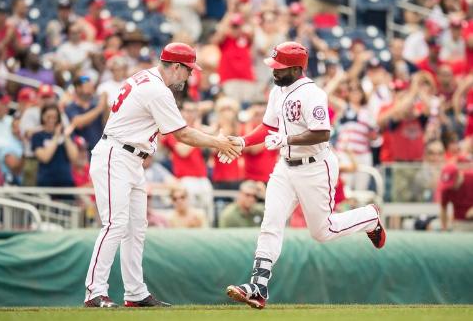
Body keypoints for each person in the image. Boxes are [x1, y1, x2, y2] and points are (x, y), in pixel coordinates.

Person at [221, 42, 386, 309]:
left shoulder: (313, 94)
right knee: (270, 222)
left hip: (315, 167)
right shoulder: (278, 91)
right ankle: (258, 286)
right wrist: (241, 141)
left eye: (279, 67)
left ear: (297, 68)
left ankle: (369, 216)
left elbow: (322, 132)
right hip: (285, 167)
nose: (274, 71)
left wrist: (285, 138)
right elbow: (267, 127)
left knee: (323, 231)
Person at [83, 42, 240, 308]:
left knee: (136, 228)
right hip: (116, 155)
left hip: (131, 158)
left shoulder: (146, 78)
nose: (191, 75)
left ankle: (135, 292)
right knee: (115, 224)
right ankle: (94, 291)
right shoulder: (156, 89)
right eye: (189, 70)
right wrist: (219, 142)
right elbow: (182, 134)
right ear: (176, 67)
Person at [439, 163, 473, 232]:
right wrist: (444, 228)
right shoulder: (446, 188)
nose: (450, 186)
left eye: (452, 182)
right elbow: (443, 208)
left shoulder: (471, 177)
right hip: (459, 223)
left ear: (459, 176)